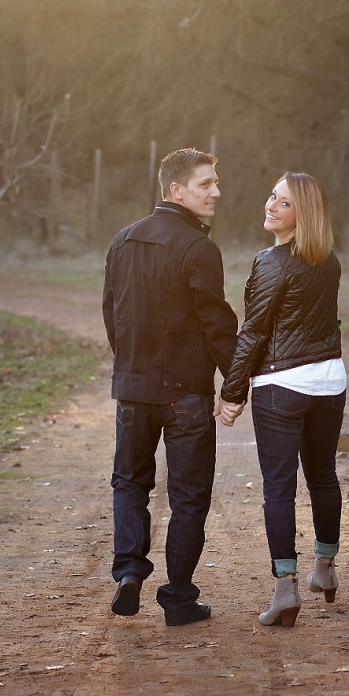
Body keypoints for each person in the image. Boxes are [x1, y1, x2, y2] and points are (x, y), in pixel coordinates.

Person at [102, 147, 239, 626]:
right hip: (187, 396)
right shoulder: (200, 249)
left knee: (129, 484)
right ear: (176, 190)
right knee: (188, 497)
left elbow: (112, 315)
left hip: (133, 391)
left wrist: (130, 368)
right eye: (206, 184)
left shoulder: (122, 241)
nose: (216, 192)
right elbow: (217, 327)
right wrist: (236, 385)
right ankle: (178, 599)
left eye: (215, 183)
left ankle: (128, 573)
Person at [217, 172, 346, 627]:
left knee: (279, 486)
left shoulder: (271, 261)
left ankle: (285, 589)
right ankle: (325, 570)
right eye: (272, 195)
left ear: (303, 214)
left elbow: (254, 332)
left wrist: (232, 393)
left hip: (282, 385)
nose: (271, 205)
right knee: (323, 477)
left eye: (284, 202)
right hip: (330, 380)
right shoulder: (327, 259)